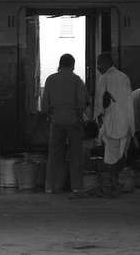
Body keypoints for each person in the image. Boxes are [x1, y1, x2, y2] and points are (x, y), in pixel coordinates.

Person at [42, 54, 87, 199]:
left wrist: (49, 116)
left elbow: (44, 104)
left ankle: (49, 187)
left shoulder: (50, 79)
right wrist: (80, 118)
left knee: (54, 154)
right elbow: (81, 102)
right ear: (73, 65)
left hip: (56, 120)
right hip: (73, 120)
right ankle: (77, 188)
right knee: (75, 155)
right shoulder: (76, 80)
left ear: (60, 64)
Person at [94, 51, 135, 179]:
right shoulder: (124, 77)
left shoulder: (104, 78)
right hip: (127, 121)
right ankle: (116, 179)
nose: (97, 67)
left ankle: (113, 181)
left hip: (112, 121)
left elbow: (99, 103)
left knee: (111, 154)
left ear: (107, 63)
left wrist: (98, 118)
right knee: (122, 151)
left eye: (99, 64)